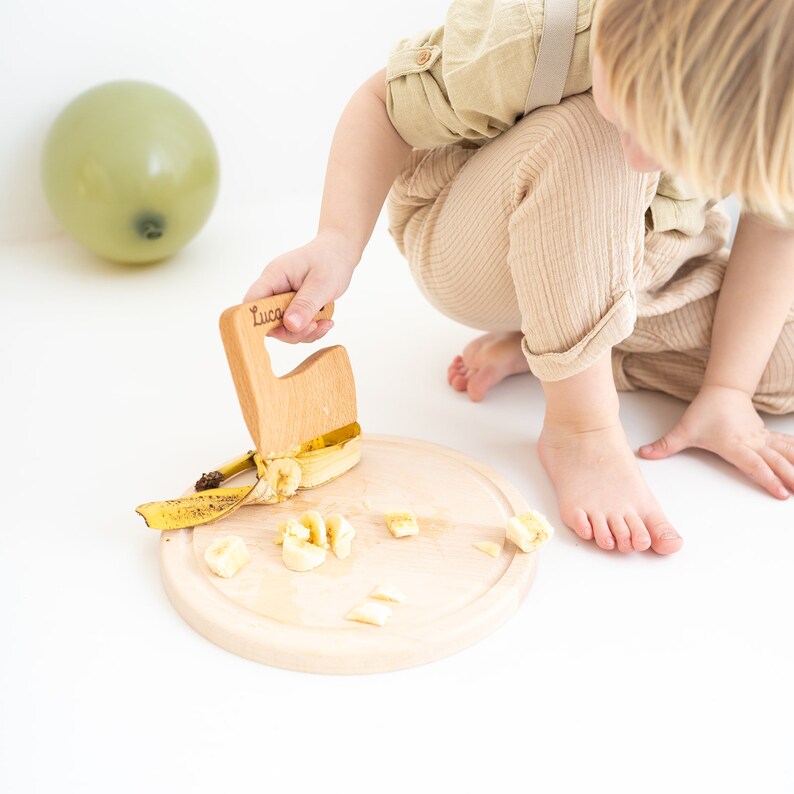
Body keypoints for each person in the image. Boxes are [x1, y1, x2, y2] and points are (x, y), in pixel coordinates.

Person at [244, 0, 794, 554]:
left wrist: (729, 391)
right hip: (480, 244)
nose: (644, 157)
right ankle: (580, 426)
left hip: (648, 256)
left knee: (782, 361)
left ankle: (557, 353)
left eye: (690, 151)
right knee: (596, 137)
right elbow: (382, 106)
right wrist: (337, 240)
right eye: (635, 110)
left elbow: (776, 228)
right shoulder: (534, 35)